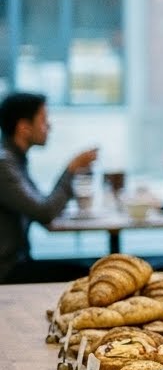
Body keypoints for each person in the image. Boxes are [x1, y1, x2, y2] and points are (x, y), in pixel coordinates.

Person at [0, 92, 98, 284]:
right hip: (8, 270)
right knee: (94, 275)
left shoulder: (14, 160)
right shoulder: (4, 165)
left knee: (94, 270)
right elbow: (45, 212)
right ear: (24, 127)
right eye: (44, 120)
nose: (49, 126)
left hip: (18, 263)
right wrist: (71, 169)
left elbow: (42, 205)